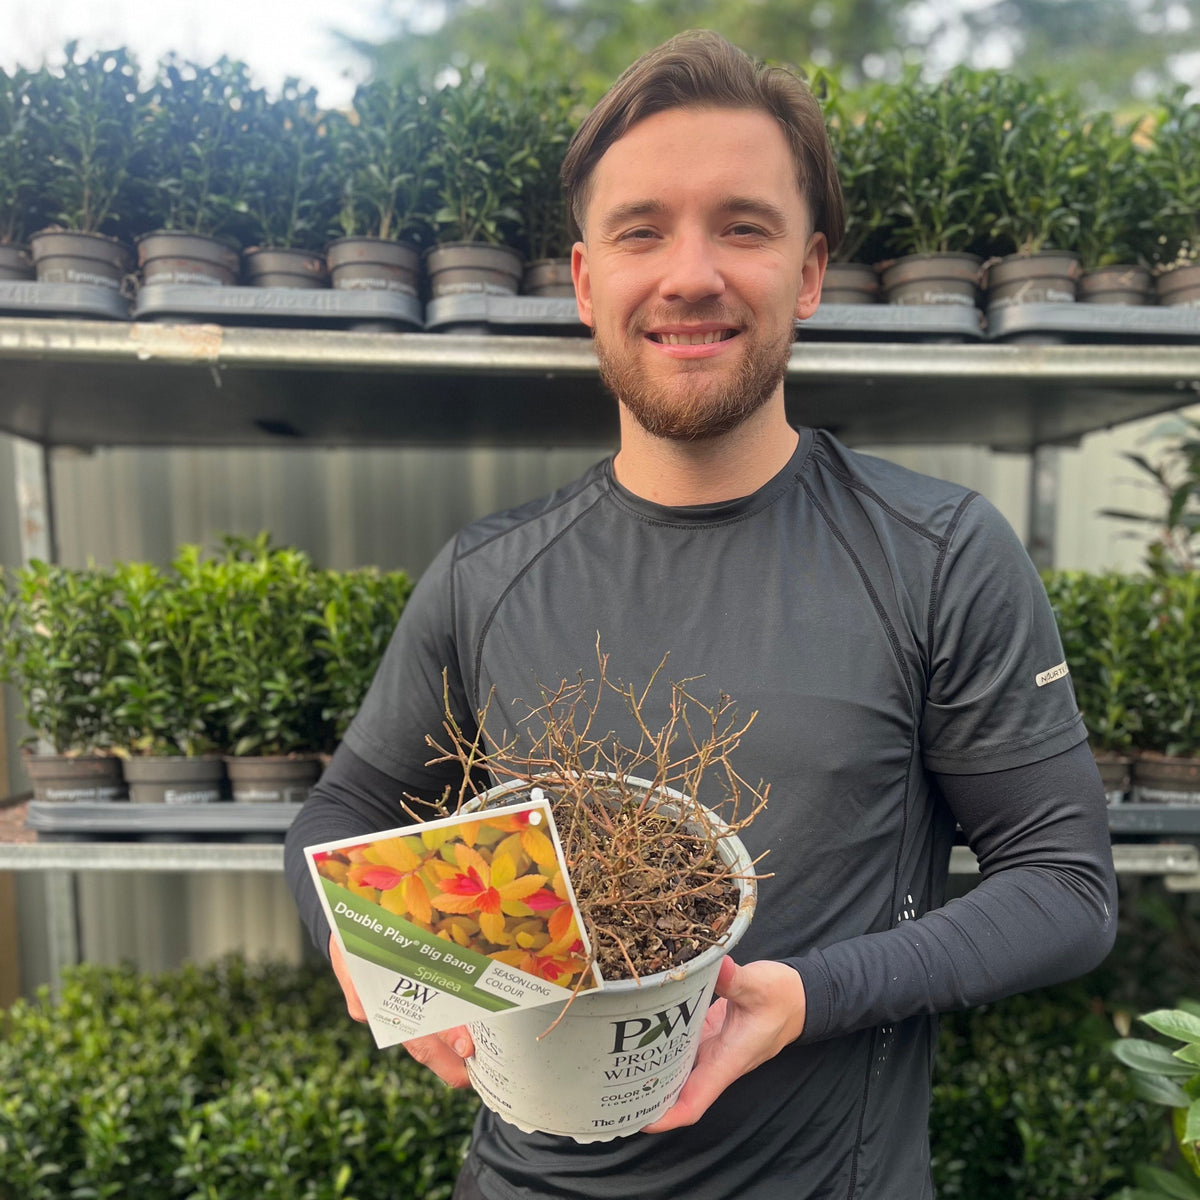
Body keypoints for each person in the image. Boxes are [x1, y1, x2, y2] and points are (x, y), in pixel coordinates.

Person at [284, 30, 1117, 1200]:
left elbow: (1067, 887)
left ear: (810, 272)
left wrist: (808, 998)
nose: (689, 275)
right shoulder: (490, 575)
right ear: (585, 282)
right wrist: (367, 949)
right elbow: (339, 817)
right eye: (641, 231)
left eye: (742, 225)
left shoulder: (935, 557)